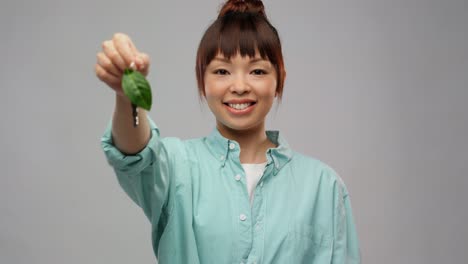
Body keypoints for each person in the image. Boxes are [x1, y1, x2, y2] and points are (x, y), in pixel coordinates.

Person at [95, 0, 361, 263]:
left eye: (257, 71)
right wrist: (127, 94)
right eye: (222, 71)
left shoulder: (323, 187)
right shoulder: (176, 166)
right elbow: (134, 153)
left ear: (280, 79)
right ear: (202, 80)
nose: (240, 86)